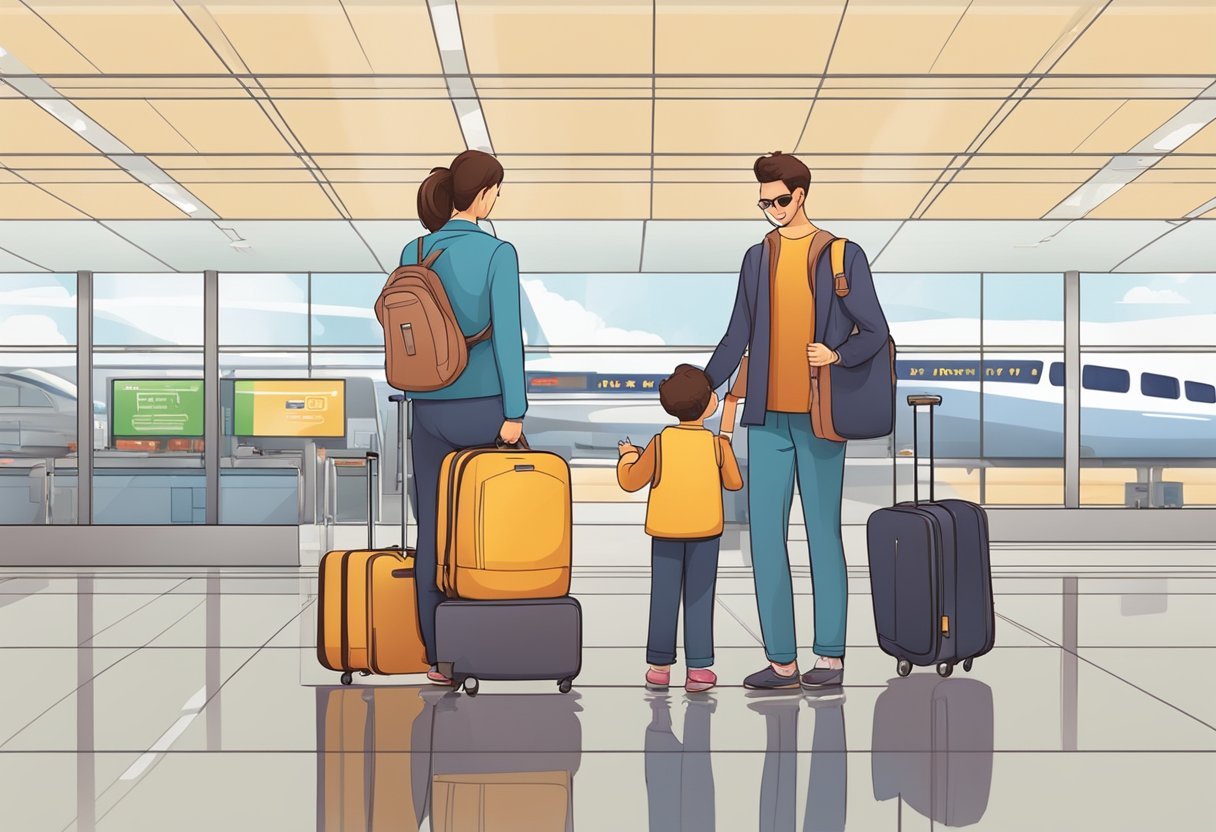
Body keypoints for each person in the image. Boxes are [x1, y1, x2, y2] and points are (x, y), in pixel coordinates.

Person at [704, 151, 891, 691]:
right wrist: (701, 387)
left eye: (780, 200)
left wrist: (836, 355)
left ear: (801, 195)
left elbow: (875, 330)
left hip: (818, 417)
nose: (772, 211)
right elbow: (737, 331)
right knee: (765, 537)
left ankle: (830, 657)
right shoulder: (756, 258)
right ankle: (782, 660)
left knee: (822, 535)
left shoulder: (841, 255)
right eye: (764, 203)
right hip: (764, 418)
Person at [404, 149, 525, 685]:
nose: (497, 198)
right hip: (484, 409)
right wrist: (515, 413)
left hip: (426, 408)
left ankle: (439, 657)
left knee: (432, 527)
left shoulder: (416, 249)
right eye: (496, 189)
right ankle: (499, 642)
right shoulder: (499, 254)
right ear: (482, 195)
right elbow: (508, 342)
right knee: (502, 522)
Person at [616, 364, 744, 694]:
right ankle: (698, 669)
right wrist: (725, 444)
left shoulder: (661, 443)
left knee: (664, 596)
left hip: (666, 533)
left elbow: (630, 481)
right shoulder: (715, 445)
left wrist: (627, 456)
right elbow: (733, 482)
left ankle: (659, 667)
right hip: (705, 533)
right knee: (700, 598)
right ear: (706, 405)